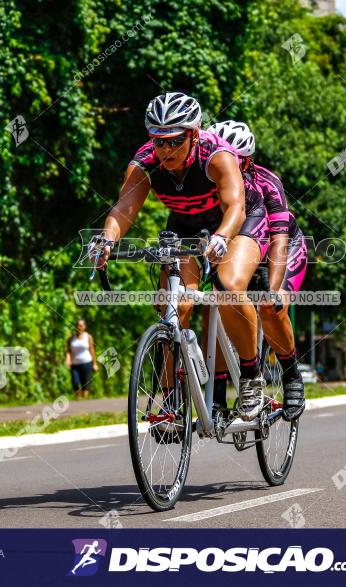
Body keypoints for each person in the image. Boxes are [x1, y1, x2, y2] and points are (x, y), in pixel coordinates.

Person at [89, 92, 269, 420]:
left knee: (228, 287)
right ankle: (173, 401)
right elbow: (125, 208)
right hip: (186, 224)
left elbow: (235, 207)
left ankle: (252, 377)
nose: (165, 150)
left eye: (174, 141)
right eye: (159, 142)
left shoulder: (217, 155)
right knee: (171, 306)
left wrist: (221, 238)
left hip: (239, 220)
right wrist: (107, 240)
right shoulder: (145, 162)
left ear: (194, 134)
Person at [206, 120, 306, 421]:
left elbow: (278, 240)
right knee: (218, 302)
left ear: (246, 161)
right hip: (238, 245)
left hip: (281, 244)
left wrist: (273, 289)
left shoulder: (266, 182)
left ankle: (291, 374)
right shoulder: (209, 181)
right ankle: (219, 395)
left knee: (270, 306)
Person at [66, 319, 98, 399]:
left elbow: (92, 350)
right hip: (75, 364)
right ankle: (77, 399)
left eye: (81, 325)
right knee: (75, 382)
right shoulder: (71, 338)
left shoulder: (88, 337)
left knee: (85, 383)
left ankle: (84, 400)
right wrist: (68, 359)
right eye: (77, 325)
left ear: (84, 327)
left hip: (86, 362)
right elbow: (68, 351)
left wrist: (94, 363)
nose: (78, 327)